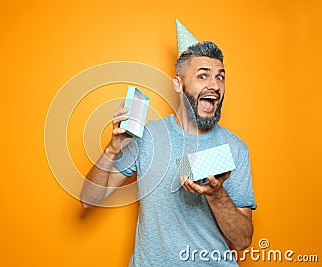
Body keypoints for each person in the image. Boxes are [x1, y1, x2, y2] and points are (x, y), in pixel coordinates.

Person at [80, 41, 256, 266]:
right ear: (178, 84)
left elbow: (242, 240)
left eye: (220, 77)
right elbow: (88, 200)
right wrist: (112, 150)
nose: (214, 85)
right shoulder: (148, 137)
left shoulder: (235, 148)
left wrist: (216, 194)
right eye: (203, 76)